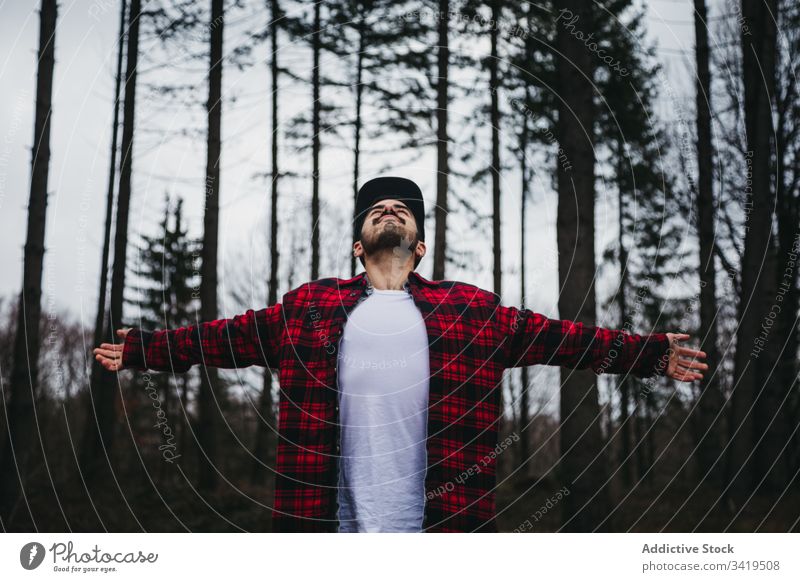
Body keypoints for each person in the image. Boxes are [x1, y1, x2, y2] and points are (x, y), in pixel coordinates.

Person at [94, 176, 708, 532]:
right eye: (375, 210)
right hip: (323, 529)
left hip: (444, 529)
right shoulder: (309, 306)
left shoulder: (472, 309)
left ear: (419, 246)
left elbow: (564, 339)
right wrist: (144, 349)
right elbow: (221, 338)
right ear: (358, 246)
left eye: (403, 209)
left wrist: (650, 355)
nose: (389, 211)